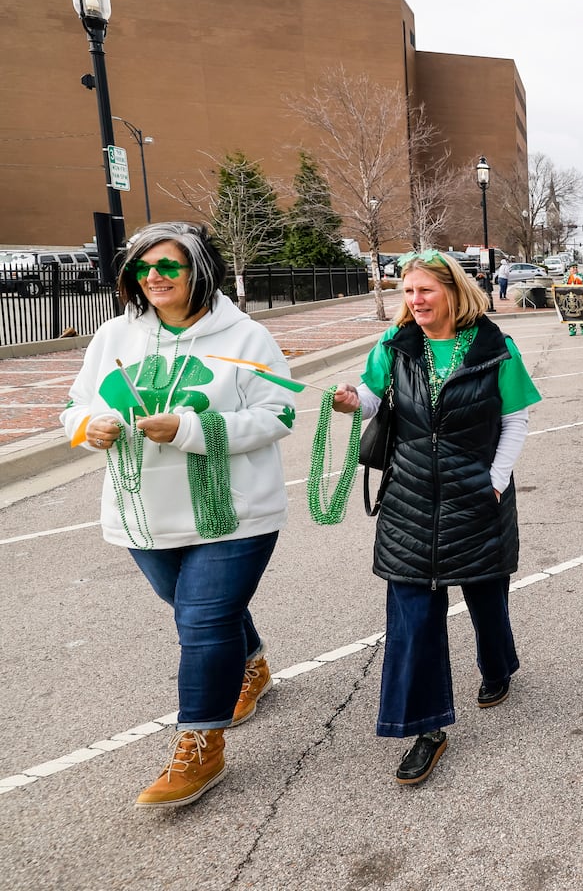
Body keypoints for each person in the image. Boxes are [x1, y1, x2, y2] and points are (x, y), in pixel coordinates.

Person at [61, 221, 295, 808]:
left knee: (202, 621)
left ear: (199, 270)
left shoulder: (246, 337)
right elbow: (74, 405)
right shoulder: (112, 337)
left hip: (234, 512)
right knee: (196, 609)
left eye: (169, 265)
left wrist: (191, 429)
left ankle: (199, 743)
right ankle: (251, 665)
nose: (155, 277)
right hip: (144, 512)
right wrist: (92, 427)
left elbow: (281, 414)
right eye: (143, 267)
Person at [330, 250, 541, 784]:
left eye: (424, 290)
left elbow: (514, 422)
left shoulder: (497, 347)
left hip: (477, 493)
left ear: (452, 292)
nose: (415, 301)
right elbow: (377, 400)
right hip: (410, 497)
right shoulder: (394, 345)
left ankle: (497, 666)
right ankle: (426, 728)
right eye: (407, 292)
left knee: (486, 596)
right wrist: (353, 401)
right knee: (413, 618)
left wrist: (494, 482)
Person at [564, 265, 583, 336]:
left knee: (582, 313)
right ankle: (572, 329)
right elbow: (563, 286)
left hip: (580, 298)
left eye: (576, 267)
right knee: (571, 314)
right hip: (571, 299)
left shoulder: (582, 276)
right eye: (573, 268)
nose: (575, 269)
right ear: (570, 269)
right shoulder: (567, 277)